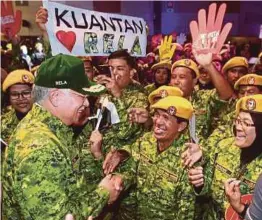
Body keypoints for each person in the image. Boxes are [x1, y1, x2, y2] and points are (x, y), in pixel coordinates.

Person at [2, 54, 127, 219]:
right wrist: (103, 194)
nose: (86, 103)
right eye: (81, 96)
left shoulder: (51, 131)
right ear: (55, 97)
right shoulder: (40, 147)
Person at [116, 96, 208, 219]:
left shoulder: (188, 157)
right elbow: (131, 172)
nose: (158, 122)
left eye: (166, 118)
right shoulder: (146, 141)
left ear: (181, 126)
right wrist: (118, 178)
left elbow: (186, 210)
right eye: (157, 115)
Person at [189, 94, 262, 219]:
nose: (238, 127)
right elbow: (207, 188)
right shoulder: (223, 146)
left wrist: (241, 208)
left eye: (246, 123)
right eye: (238, 121)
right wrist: (199, 183)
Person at [1, 69, 34, 144]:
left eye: (26, 93)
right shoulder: (2, 124)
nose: (21, 98)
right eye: (15, 94)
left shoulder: (48, 119)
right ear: (8, 98)